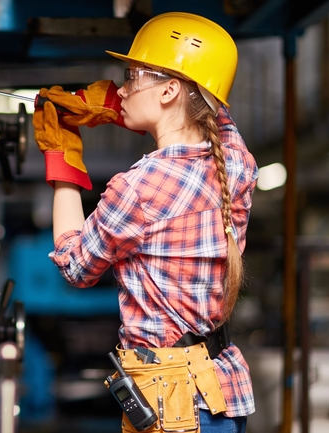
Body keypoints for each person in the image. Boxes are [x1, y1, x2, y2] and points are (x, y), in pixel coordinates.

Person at [31, 12, 257, 433]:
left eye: (131, 77)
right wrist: (121, 105)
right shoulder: (236, 161)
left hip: (173, 403)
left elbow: (76, 266)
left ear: (171, 89)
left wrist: (62, 158)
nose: (121, 88)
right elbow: (212, 115)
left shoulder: (139, 186)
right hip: (219, 392)